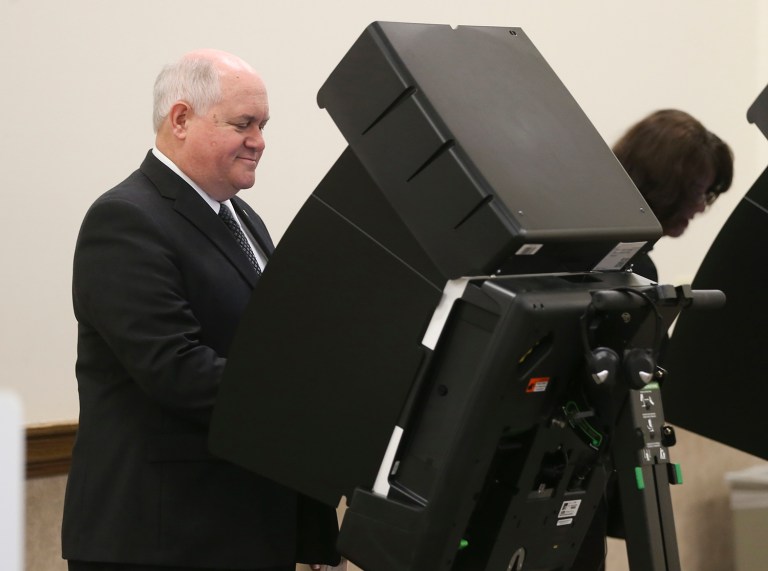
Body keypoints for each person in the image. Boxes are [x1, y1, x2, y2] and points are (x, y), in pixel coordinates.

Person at [62, 49, 341, 571]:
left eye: (262, 125)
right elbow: (176, 370)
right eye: (243, 123)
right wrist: (315, 400)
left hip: (245, 529)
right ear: (181, 119)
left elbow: (274, 349)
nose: (259, 141)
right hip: (161, 539)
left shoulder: (242, 218)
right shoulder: (125, 219)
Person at [612, 108, 734, 282]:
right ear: (660, 183)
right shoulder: (634, 270)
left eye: (705, 194)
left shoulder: (631, 263)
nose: (701, 207)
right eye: (696, 191)